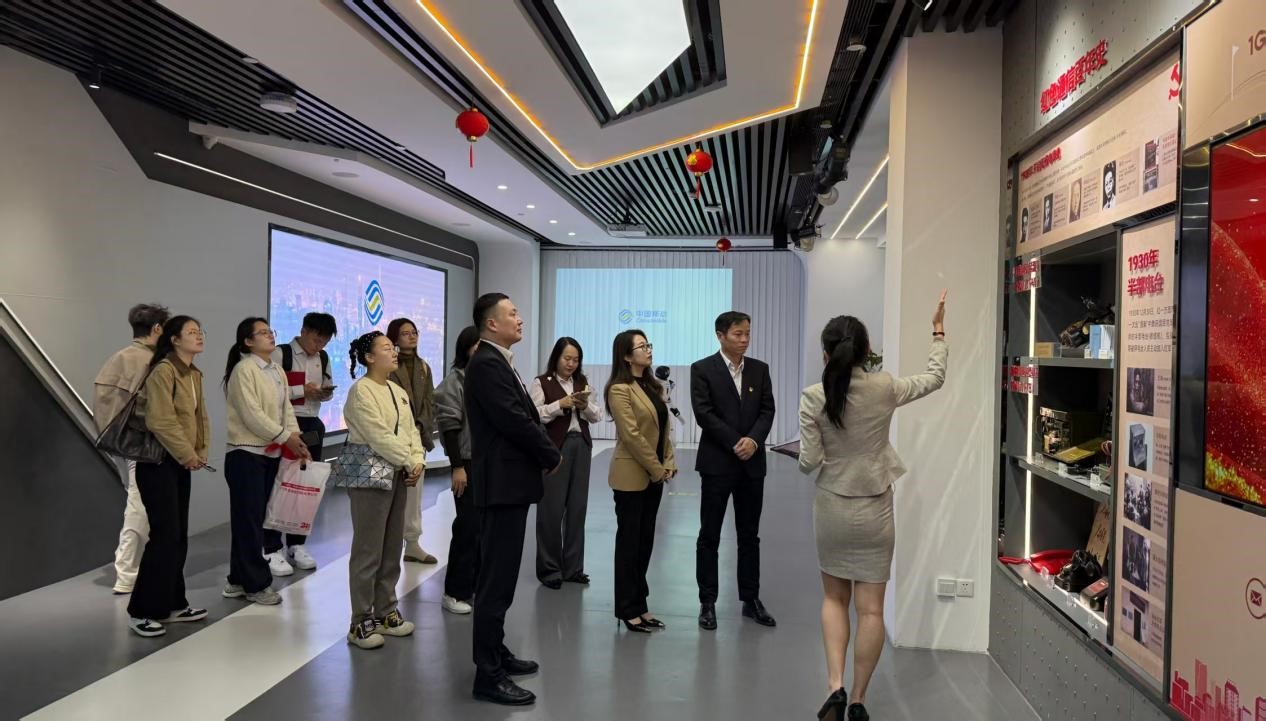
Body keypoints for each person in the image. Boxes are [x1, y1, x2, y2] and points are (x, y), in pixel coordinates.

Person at [799, 292, 948, 721]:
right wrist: (938, 330)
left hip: (832, 505)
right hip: (876, 507)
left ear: (825, 353)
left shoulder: (813, 397)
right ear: (866, 351)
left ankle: (835, 686)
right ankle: (859, 699)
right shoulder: (885, 387)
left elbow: (809, 461)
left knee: (834, 599)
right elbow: (934, 378)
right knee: (871, 610)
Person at [465, 293, 561, 706]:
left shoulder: (498, 360)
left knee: (501, 578)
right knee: (495, 581)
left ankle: (497, 652)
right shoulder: (487, 364)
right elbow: (514, 419)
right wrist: (549, 453)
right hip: (501, 485)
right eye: (513, 313)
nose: (519, 319)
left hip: (511, 483)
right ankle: (487, 675)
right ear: (491, 323)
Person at [690, 311, 777, 630]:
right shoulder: (703, 369)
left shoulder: (759, 369)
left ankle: (750, 599)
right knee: (709, 534)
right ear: (720, 335)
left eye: (747, 333)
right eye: (738, 334)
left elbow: (767, 410)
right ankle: (707, 601)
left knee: (749, 535)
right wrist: (734, 442)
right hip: (718, 463)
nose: (744, 339)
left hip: (752, 465)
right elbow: (704, 413)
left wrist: (753, 441)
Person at [126, 315, 210, 637]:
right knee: (164, 536)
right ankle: (141, 610)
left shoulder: (193, 373)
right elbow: (160, 421)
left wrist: (201, 450)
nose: (199, 336)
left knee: (178, 536)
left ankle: (173, 604)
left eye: (200, 331)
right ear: (174, 339)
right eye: (192, 332)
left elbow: (200, 417)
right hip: (158, 463)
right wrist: (188, 453)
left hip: (178, 462)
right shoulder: (163, 370)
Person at [341, 331, 426, 650]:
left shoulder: (397, 390)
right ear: (369, 358)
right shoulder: (360, 391)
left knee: (391, 546)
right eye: (387, 348)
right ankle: (360, 620)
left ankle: (385, 611)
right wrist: (409, 459)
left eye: (393, 348)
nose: (394, 352)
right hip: (370, 474)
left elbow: (411, 430)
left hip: (398, 471)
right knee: (368, 549)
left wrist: (417, 459)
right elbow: (377, 435)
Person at [222, 318, 311, 607]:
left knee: (253, 519)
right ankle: (256, 584)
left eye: (270, 331)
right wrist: (286, 437)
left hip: (270, 453)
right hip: (246, 455)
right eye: (262, 333)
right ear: (248, 341)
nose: (270, 336)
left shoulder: (275, 369)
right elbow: (252, 415)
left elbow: (286, 410)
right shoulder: (244, 369)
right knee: (249, 523)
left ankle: (237, 579)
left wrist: (295, 438)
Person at [93, 302, 169, 595]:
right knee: (140, 507)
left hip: (117, 443)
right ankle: (127, 573)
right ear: (157, 329)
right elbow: (154, 410)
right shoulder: (151, 361)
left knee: (136, 503)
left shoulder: (118, 358)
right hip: (142, 445)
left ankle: (131, 569)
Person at [606, 330, 676, 634]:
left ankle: (640, 605)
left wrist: (668, 461)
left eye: (649, 345)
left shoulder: (652, 386)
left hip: (654, 475)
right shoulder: (619, 389)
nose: (648, 350)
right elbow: (632, 436)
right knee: (629, 544)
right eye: (641, 346)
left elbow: (663, 430)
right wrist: (657, 468)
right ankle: (626, 609)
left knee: (645, 542)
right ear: (626, 355)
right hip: (631, 476)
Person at [529, 337, 601, 590]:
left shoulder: (582, 383)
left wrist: (585, 405)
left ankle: (573, 568)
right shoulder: (542, 382)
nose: (571, 364)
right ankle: (550, 569)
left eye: (576, 360)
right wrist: (560, 405)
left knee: (577, 508)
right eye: (567, 358)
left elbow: (597, 415)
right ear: (556, 358)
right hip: (554, 448)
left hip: (581, 445)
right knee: (551, 509)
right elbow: (534, 414)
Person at [269, 312, 337, 574]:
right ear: (304, 331)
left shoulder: (323, 358)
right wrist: (301, 390)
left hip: (312, 424)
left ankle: (296, 544)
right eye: (317, 339)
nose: (319, 346)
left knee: (305, 486)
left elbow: (327, 386)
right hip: (285, 425)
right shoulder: (281, 354)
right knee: (280, 484)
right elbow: (270, 392)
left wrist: (323, 393)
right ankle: (271, 546)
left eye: (325, 341)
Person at [434, 326, 482, 615]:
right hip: (466, 462)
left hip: (487, 462)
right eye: (478, 345)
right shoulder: (455, 382)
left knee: (483, 530)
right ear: (466, 348)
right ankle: (454, 591)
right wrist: (457, 467)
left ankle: (472, 587)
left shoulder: (485, 377)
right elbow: (450, 428)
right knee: (467, 527)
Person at [386, 317, 439, 565]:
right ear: (394, 338)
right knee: (390, 491)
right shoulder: (387, 365)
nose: (412, 336)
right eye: (405, 333)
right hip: (391, 437)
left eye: (414, 332)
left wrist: (420, 427)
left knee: (414, 493)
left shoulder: (424, 367)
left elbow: (430, 402)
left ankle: (413, 543)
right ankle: (389, 544)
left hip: (416, 436)